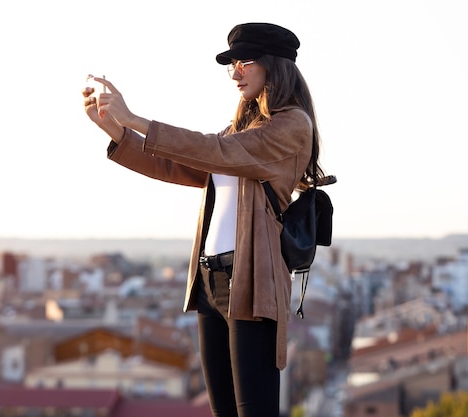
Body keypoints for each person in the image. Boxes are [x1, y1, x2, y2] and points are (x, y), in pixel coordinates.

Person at [82, 22, 327, 417]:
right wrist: (116, 129)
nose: (235, 72)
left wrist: (134, 118)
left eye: (244, 62)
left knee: (253, 410)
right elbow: (179, 164)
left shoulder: (293, 125)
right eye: (231, 64)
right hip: (211, 280)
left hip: (250, 281)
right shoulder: (239, 131)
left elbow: (213, 150)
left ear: (274, 66)